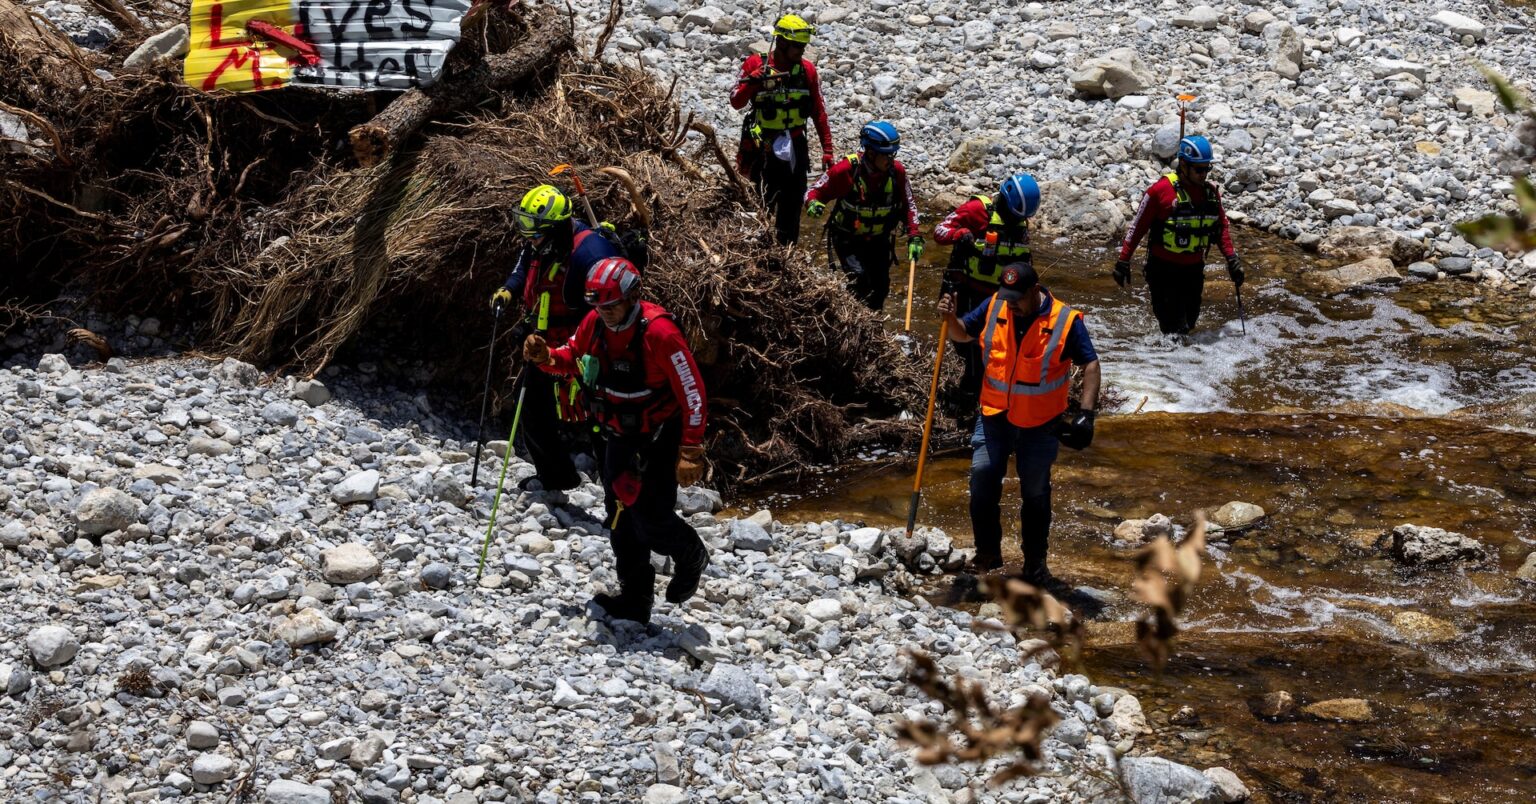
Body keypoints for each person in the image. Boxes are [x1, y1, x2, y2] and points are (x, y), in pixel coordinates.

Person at [522, 258, 711, 624]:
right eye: (599, 306)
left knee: (651, 515)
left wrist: (691, 450)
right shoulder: (594, 323)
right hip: (616, 435)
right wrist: (545, 356)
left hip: (658, 436)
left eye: (612, 305)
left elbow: (693, 392)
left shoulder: (660, 334)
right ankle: (636, 599)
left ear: (632, 297)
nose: (605, 313)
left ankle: (690, 553)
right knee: (619, 517)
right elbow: (570, 360)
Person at [937, 263, 1101, 583]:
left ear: (1034, 291)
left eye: (1017, 298)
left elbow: (1090, 363)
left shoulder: (1065, 321)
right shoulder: (996, 303)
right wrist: (949, 318)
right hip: (994, 415)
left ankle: (1035, 563)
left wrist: (1086, 414)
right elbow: (962, 333)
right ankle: (987, 554)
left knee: (1035, 492)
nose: (1010, 303)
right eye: (1007, 296)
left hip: (1041, 424)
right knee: (982, 478)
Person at [490, 184, 619, 492]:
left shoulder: (591, 253)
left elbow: (609, 307)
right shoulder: (540, 242)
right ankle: (556, 475)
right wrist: (508, 290)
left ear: (557, 226)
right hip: (543, 345)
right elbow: (523, 268)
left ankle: (620, 500)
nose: (527, 234)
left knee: (599, 422)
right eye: (523, 224)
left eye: (533, 227)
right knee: (531, 406)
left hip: (585, 352)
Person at [931, 174, 1042, 426]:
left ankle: (988, 402)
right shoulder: (977, 211)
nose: (1018, 222)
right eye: (1014, 216)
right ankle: (966, 405)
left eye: (1021, 218)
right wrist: (959, 235)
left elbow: (1025, 261)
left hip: (1001, 298)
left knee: (992, 351)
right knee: (970, 349)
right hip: (968, 291)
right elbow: (939, 231)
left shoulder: (1020, 223)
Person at [1114, 134, 1244, 336]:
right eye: (1199, 169)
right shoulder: (1160, 191)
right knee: (1173, 329)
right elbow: (1137, 227)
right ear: (1183, 165)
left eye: (1207, 168)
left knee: (1189, 323)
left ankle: (1180, 361)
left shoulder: (1210, 194)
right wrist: (1123, 260)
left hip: (1193, 270)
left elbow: (1221, 229)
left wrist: (1231, 259)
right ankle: (1164, 363)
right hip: (1162, 272)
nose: (1204, 175)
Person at [730, 13, 835, 246]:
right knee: (758, 201)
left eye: (804, 46)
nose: (801, 51)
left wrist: (827, 149)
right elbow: (735, 100)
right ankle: (755, 252)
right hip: (760, 147)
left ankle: (787, 255)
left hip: (795, 147)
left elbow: (819, 111)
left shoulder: (807, 70)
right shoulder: (755, 64)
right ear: (781, 42)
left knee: (792, 205)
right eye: (797, 46)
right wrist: (754, 82)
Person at [804, 121, 922, 310]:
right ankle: (852, 322)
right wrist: (813, 203)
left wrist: (914, 235)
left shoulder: (896, 172)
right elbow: (814, 191)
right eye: (886, 155)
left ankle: (873, 330)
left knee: (880, 288)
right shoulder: (846, 170)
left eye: (893, 154)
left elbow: (910, 205)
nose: (890, 160)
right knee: (858, 280)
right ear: (871, 152)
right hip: (848, 238)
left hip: (879, 239)